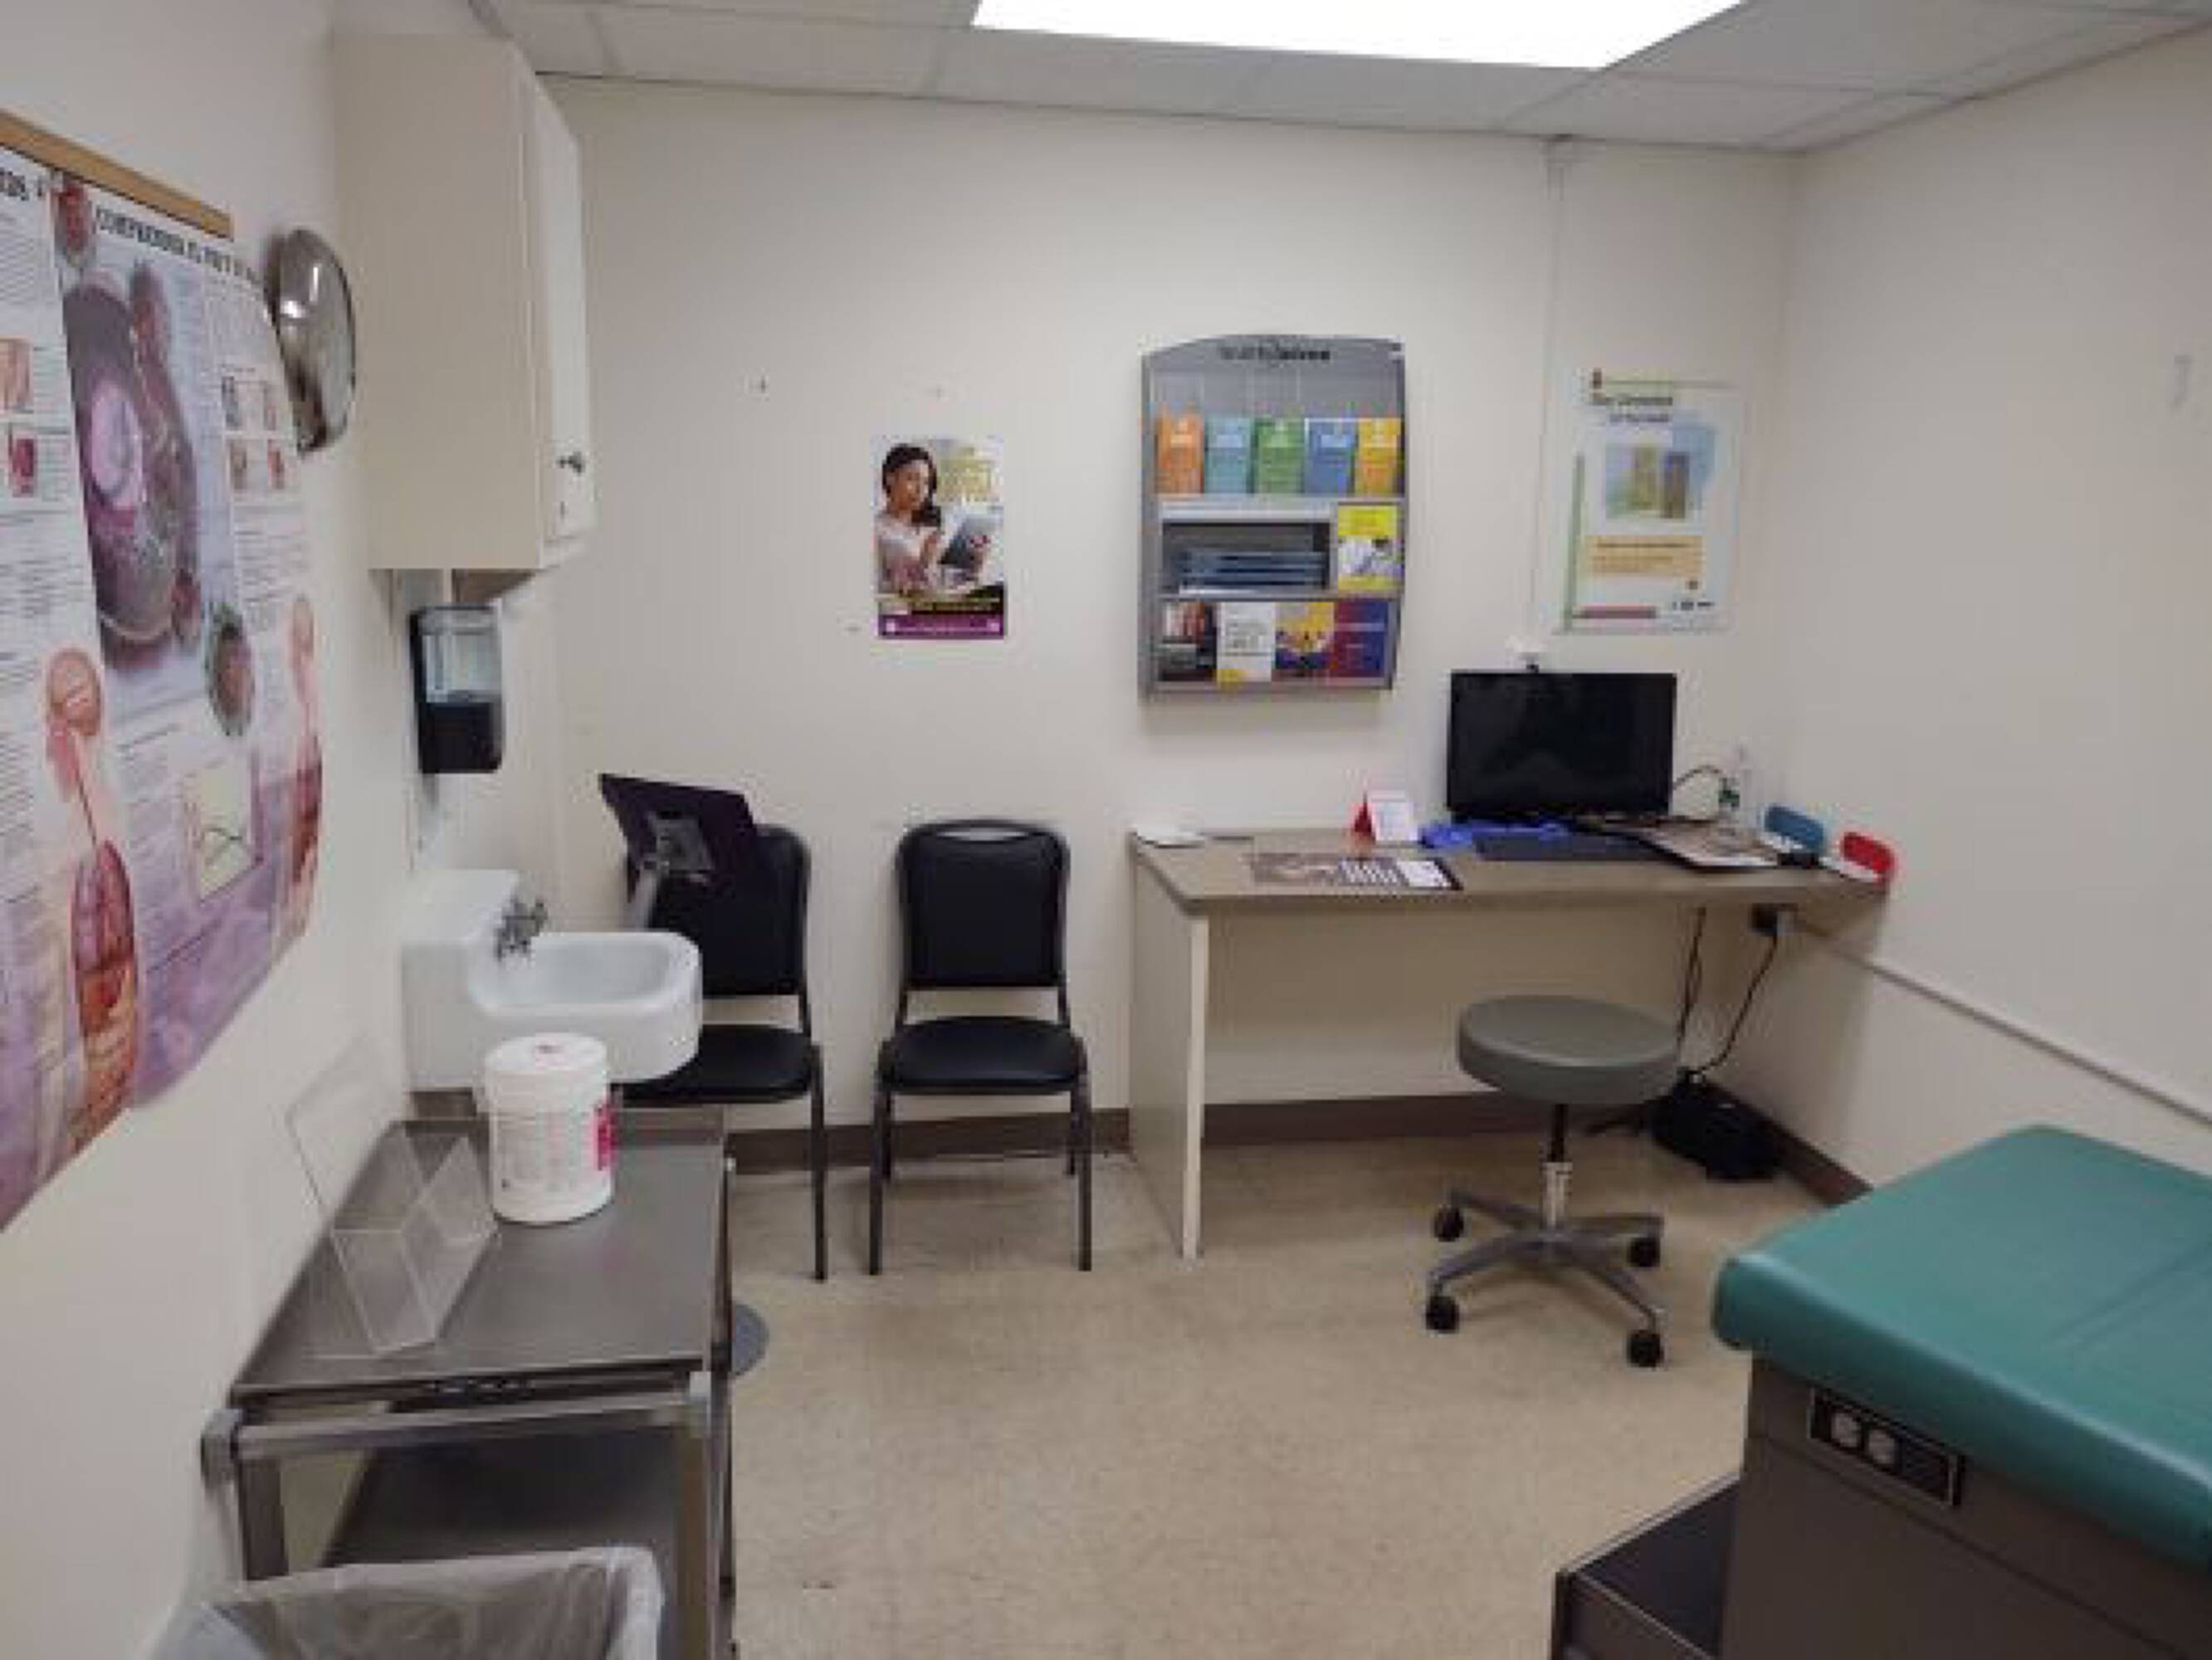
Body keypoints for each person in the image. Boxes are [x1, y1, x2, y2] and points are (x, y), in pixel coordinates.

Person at [875, 442, 993, 598]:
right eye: (912, 479)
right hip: (915, 610)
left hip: (953, 603)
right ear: (890, 479)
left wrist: (975, 562)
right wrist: (923, 563)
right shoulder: (877, 530)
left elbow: (952, 582)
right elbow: (879, 591)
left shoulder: (933, 525)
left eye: (926, 482)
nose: (921, 490)